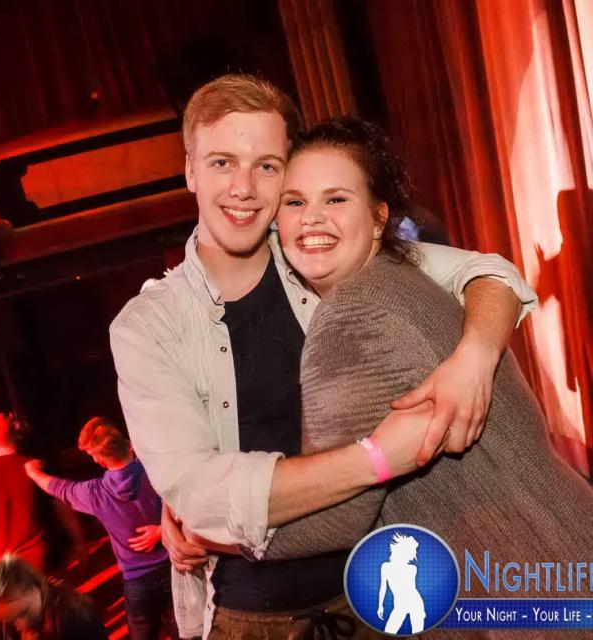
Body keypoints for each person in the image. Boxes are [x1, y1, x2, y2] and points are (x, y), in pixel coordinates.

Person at [110, 74, 537, 638]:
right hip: (254, 618)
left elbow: (487, 273)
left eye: (266, 165)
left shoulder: (320, 257)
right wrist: (378, 459)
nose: (243, 187)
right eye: (221, 163)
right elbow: (202, 496)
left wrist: (473, 361)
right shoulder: (147, 326)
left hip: (376, 583)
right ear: (190, 170)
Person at [254, 117, 593, 638]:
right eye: (294, 201)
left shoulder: (350, 316)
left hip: (522, 596)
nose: (311, 217)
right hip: (563, 552)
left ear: (378, 218)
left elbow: (336, 518)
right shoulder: (404, 278)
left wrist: (214, 529)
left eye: (336, 198)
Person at [24, 417, 177, 640]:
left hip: (138, 581)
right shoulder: (156, 472)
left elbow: (58, 488)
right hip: (174, 568)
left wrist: (33, 472)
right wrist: (163, 530)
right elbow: (190, 507)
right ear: (129, 444)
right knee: (185, 631)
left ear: (100, 460)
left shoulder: (96, 494)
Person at [0, 414, 50, 571]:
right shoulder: (34, 466)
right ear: (14, 435)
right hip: (40, 556)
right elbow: (61, 506)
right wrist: (79, 541)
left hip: (6, 562)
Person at [0, 554, 107, 639]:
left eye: (23, 613)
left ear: (36, 585)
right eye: (10, 621)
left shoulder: (71, 619)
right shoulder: (39, 610)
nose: (19, 626)